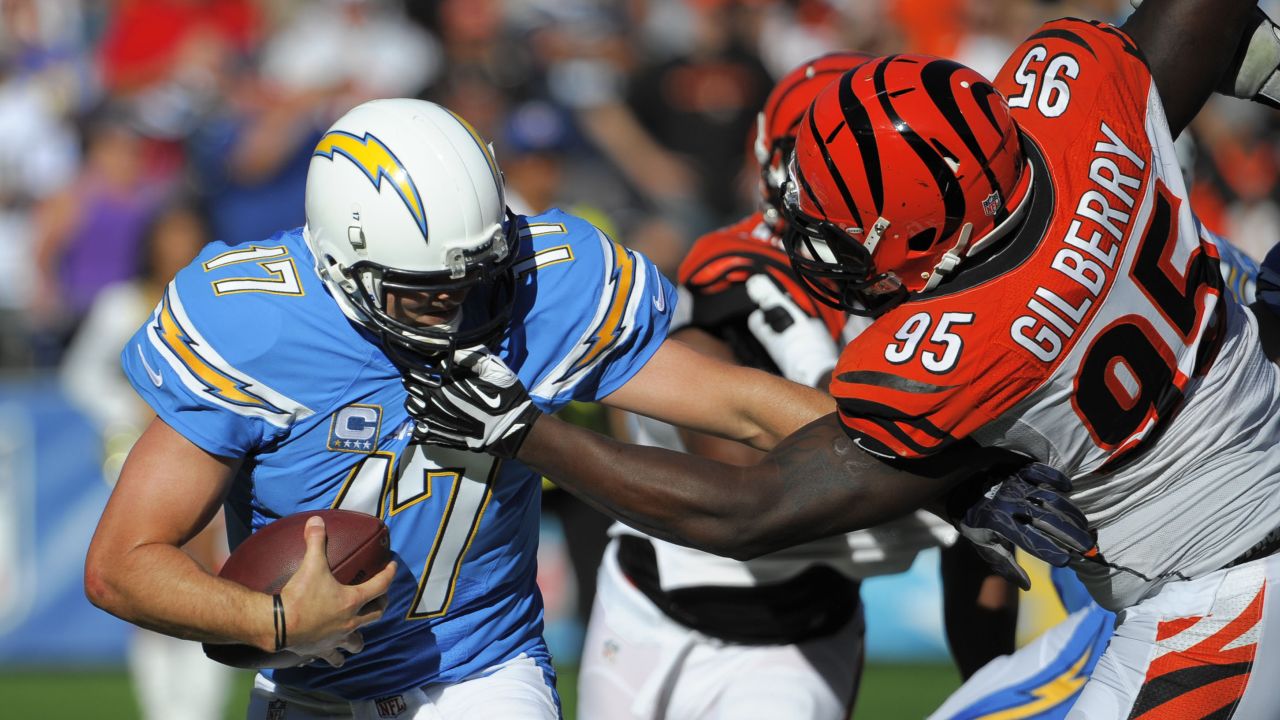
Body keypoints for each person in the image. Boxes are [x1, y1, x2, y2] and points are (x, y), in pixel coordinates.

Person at [407, 1, 1280, 716]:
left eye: (833, 228)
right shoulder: (1077, 96)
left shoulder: (952, 349)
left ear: (923, 239)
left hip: (1215, 596)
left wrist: (528, 436)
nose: (817, 246)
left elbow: (749, 506)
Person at [81, 98, 1073, 718]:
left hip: (478, 674)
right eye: (422, 290)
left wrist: (937, 470)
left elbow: (743, 405)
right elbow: (123, 563)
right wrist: (271, 614)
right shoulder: (252, 324)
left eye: (472, 278)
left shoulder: (541, 281)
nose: (458, 309)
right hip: (302, 684)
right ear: (342, 265)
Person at [578, 52, 1015, 720]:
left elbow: (978, 554)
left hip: (802, 629)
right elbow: (747, 481)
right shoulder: (738, 266)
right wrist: (949, 477)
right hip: (653, 597)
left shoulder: (941, 295)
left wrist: (991, 688)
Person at [62, 199, 233, 720]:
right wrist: (126, 409)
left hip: (217, 454)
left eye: (189, 234)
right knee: (147, 571)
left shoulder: (224, 301)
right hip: (148, 455)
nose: (177, 247)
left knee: (212, 575)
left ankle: (200, 707)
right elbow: (81, 374)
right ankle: (164, 709)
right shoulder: (123, 303)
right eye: (169, 235)